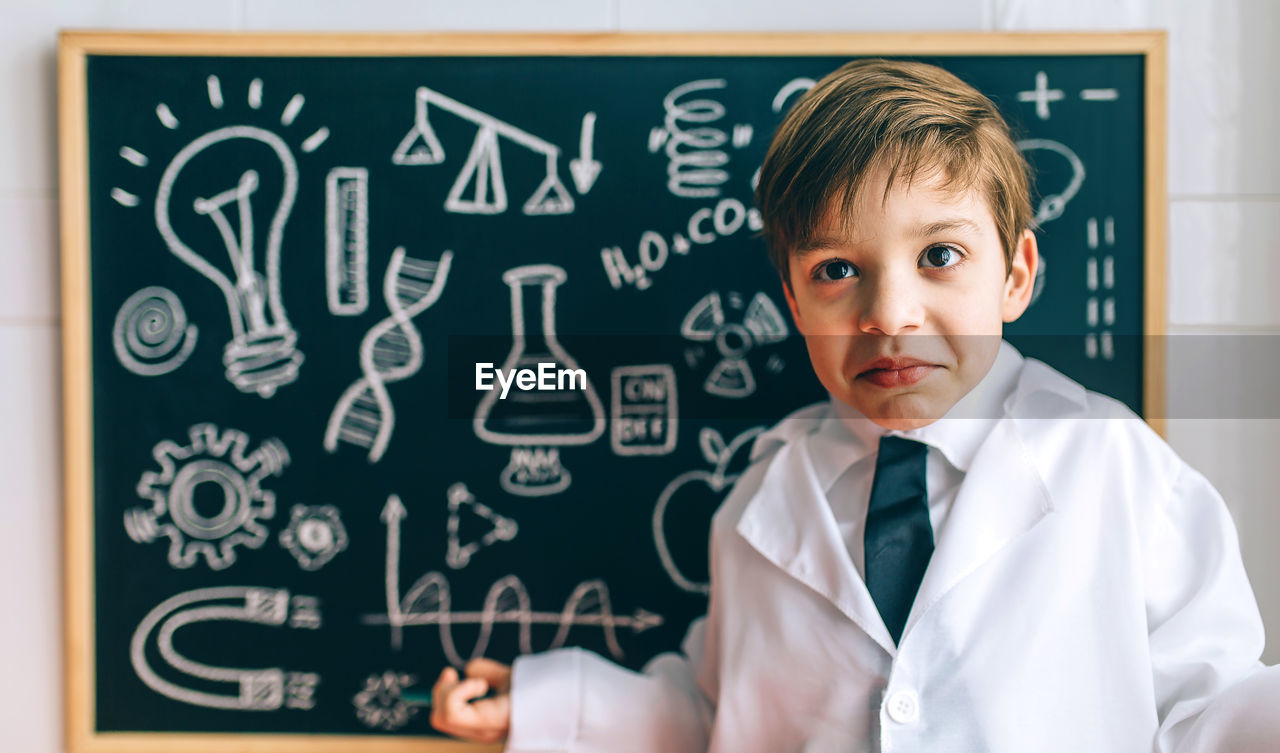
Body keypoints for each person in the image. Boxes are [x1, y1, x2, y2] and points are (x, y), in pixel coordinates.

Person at [429, 59, 1280, 752]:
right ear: (795, 306)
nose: (890, 314)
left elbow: (1212, 706)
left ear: (1016, 275)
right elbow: (715, 713)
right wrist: (546, 706)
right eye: (837, 271)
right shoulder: (766, 496)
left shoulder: (1113, 464)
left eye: (939, 254)